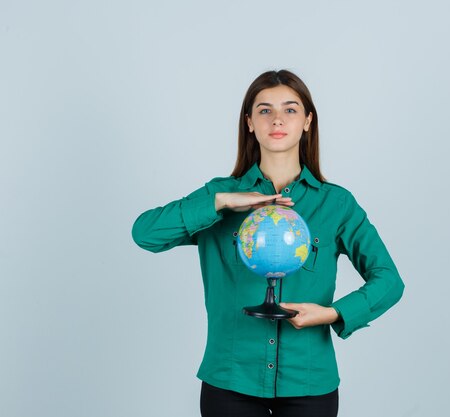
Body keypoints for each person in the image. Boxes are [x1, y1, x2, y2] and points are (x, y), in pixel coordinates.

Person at [131, 69, 404, 417]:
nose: (277, 119)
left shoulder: (337, 204)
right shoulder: (219, 196)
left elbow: (389, 281)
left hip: (310, 382)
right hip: (230, 381)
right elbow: (145, 234)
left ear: (308, 121)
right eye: (264, 110)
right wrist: (221, 203)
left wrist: (333, 313)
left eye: (290, 109)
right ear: (249, 122)